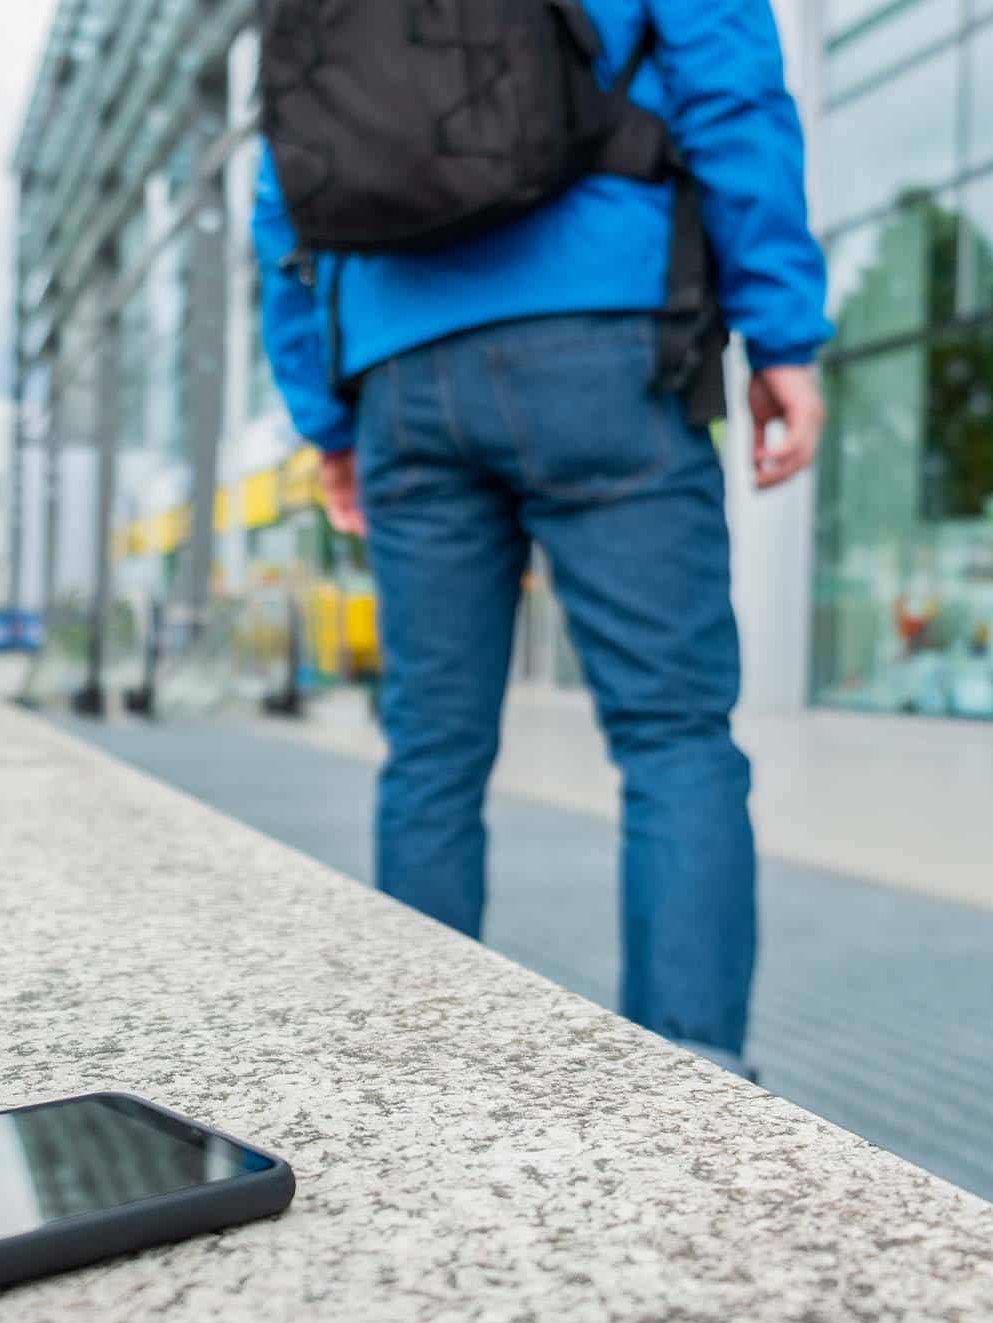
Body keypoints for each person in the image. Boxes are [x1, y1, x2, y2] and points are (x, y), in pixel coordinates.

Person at [252, 0, 830, 1075]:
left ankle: (421, 1069)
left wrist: (324, 414)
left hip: (400, 369)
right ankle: (690, 1075)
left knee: (430, 748)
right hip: (602, 334)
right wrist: (783, 331)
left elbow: (282, 184)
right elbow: (732, 92)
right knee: (673, 736)